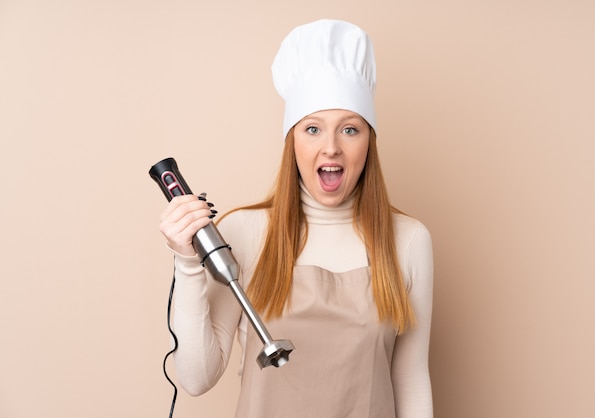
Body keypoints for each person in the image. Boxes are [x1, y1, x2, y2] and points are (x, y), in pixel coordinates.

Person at [158, 19, 434, 418]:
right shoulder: (244, 232)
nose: (331, 148)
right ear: (293, 141)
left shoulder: (408, 240)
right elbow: (197, 378)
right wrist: (187, 263)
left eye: (350, 130)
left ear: (369, 141)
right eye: (313, 129)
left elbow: (411, 380)